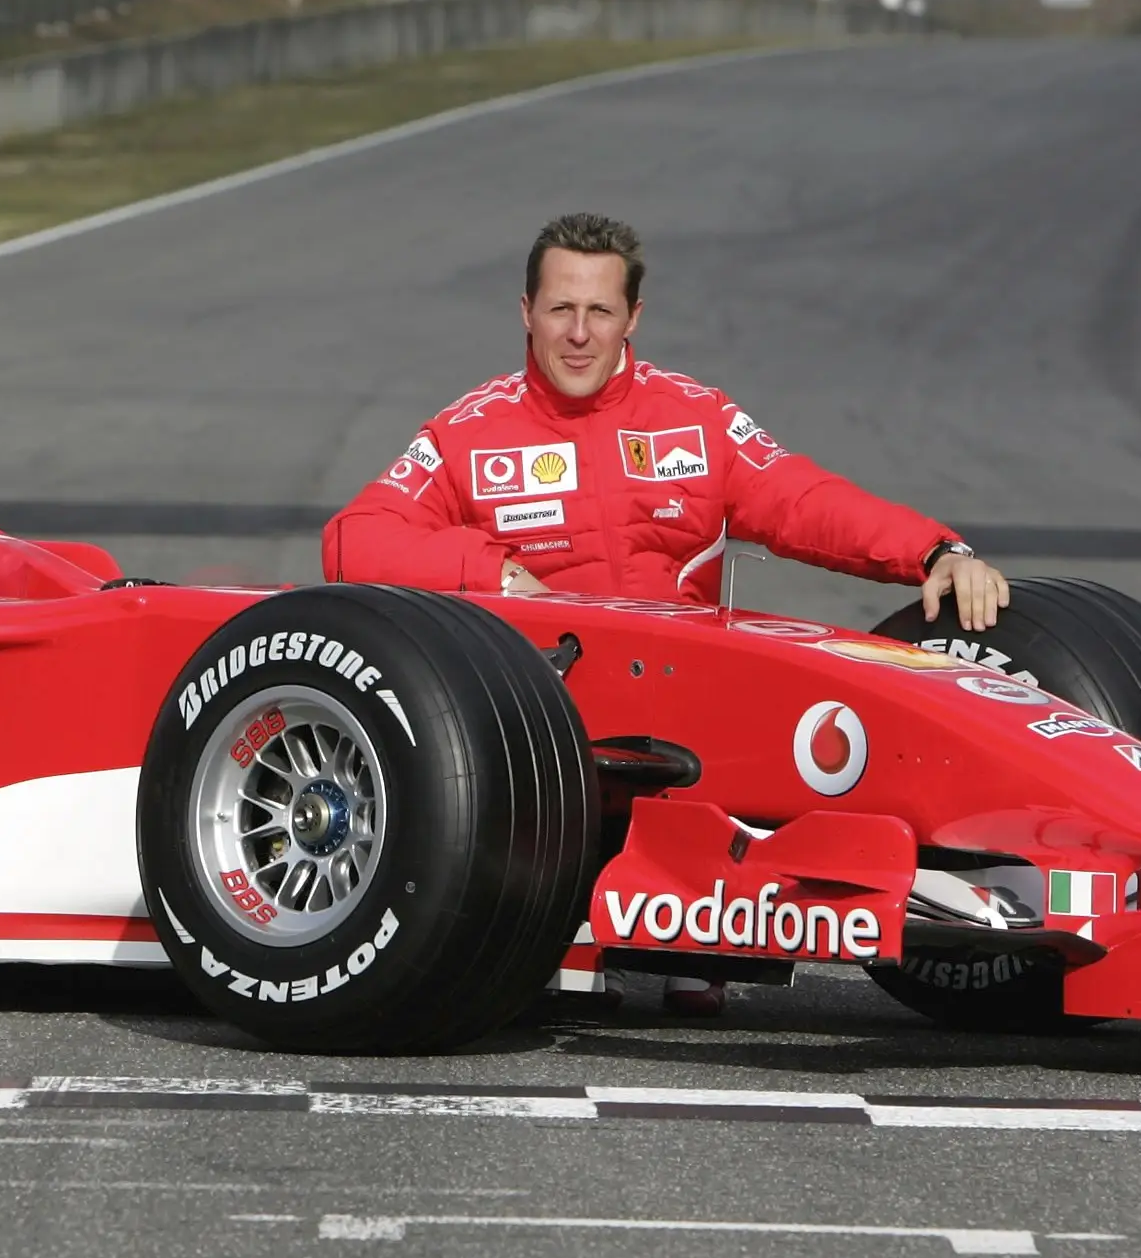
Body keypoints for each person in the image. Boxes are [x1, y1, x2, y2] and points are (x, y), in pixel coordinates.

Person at [320, 211, 1008, 1017]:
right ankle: (590, 914)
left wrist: (934, 551)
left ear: (633, 317)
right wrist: (492, 572)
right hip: (546, 731)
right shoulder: (468, 431)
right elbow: (353, 539)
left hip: (691, 727)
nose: (579, 334)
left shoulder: (697, 417)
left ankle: (703, 911)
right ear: (527, 312)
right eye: (560, 309)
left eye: (600, 311)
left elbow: (805, 501)